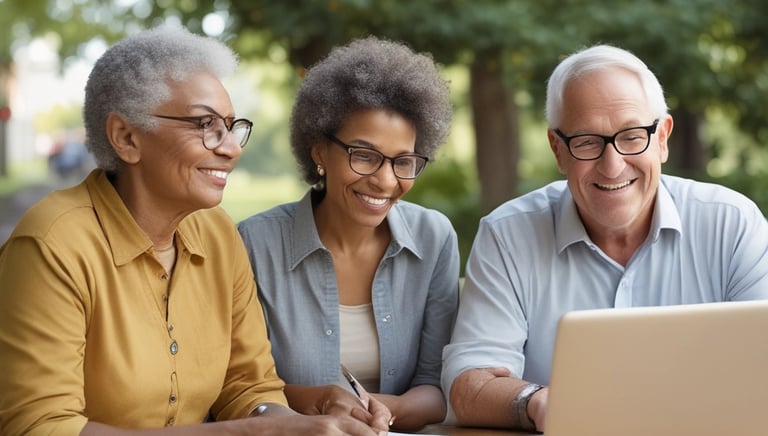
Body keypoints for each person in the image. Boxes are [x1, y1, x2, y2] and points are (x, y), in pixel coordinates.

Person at [0, 26, 389, 436]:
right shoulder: (51, 244)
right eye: (205, 124)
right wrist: (254, 433)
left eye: (230, 125)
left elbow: (248, 387)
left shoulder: (218, 235)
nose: (232, 148)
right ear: (126, 137)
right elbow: (39, 428)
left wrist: (306, 423)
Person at [441, 44, 768, 433]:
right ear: (558, 150)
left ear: (662, 138)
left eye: (632, 136)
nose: (612, 166)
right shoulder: (508, 236)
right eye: (587, 141)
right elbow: (467, 386)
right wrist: (538, 402)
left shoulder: (732, 224)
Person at [238, 36, 459, 432]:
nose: (385, 180)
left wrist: (378, 410)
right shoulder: (256, 245)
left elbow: (435, 386)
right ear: (320, 152)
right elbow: (241, 387)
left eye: (403, 161)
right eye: (365, 155)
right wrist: (324, 403)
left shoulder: (434, 238)